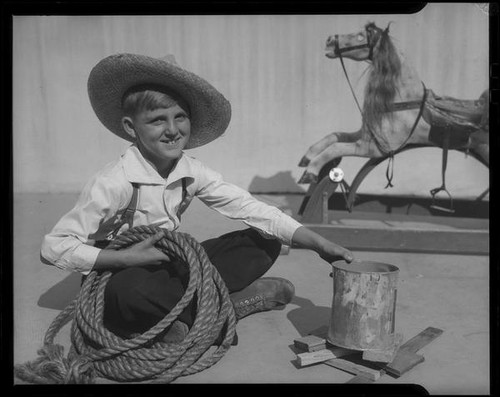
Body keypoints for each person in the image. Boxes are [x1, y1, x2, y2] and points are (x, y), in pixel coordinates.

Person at [41, 53, 354, 343]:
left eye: (180, 117)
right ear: (130, 127)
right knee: (128, 293)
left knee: (265, 240)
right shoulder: (113, 182)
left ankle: (183, 316)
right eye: (157, 120)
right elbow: (54, 246)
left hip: (168, 263)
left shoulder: (191, 171)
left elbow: (247, 206)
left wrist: (316, 242)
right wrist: (125, 258)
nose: (173, 130)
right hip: (119, 272)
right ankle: (221, 308)